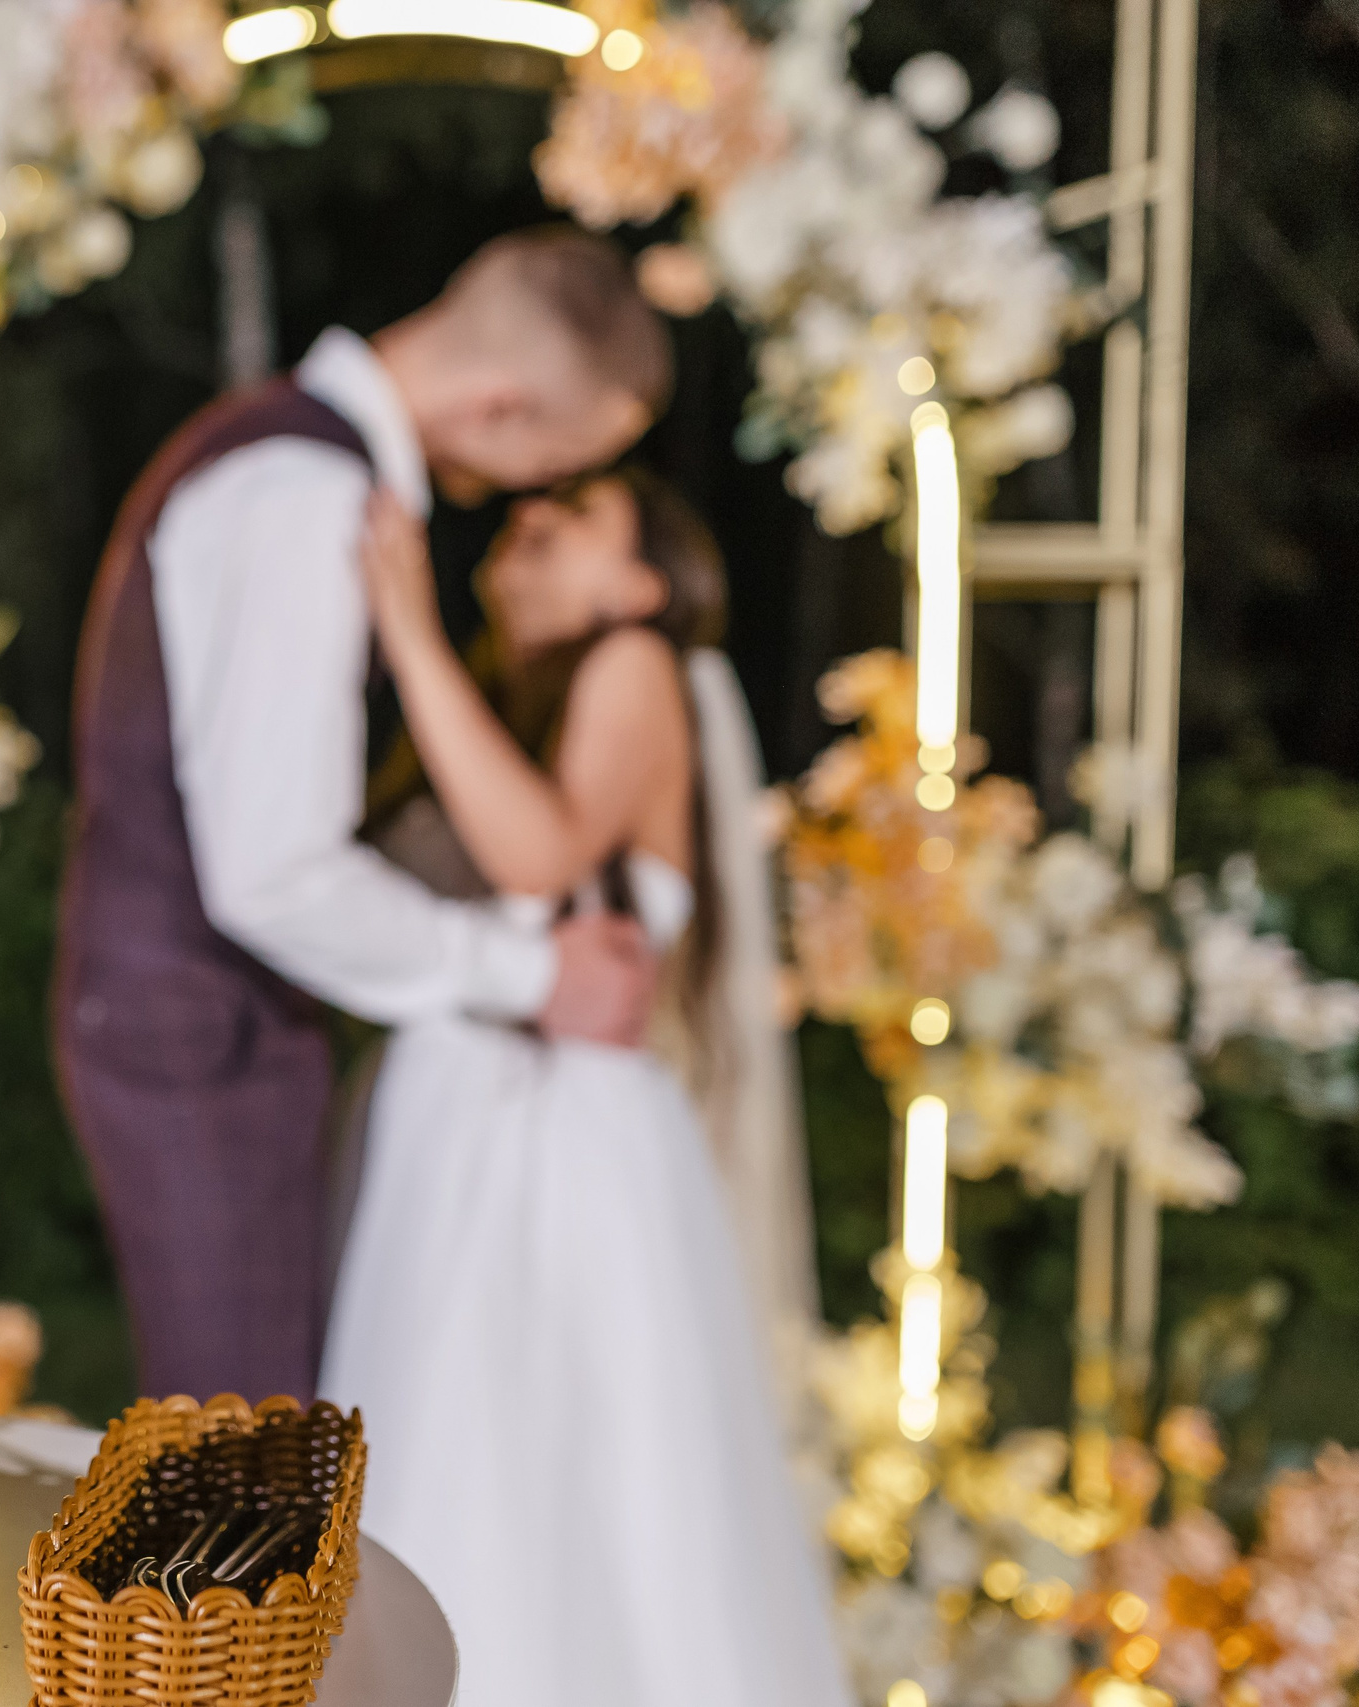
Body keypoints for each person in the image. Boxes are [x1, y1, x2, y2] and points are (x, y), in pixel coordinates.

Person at [53, 229, 671, 1406]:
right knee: (235, 1479)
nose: (536, 496)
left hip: (207, 1018)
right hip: (196, 1028)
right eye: (557, 460)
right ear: (501, 408)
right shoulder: (305, 496)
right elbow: (275, 873)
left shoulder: (284, 453)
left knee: (250, 1458)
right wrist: (531, 975)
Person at [322, 473, 851, 1707]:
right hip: (447, 1132)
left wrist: (403, 629)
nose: (530, 519)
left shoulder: (636, 663)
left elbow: (543, 853)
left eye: (574, 518)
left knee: (569, 1475)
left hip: (557, 1147)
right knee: (451, 1459)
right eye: (520, 513)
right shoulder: (507, 698)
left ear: (643, 584)